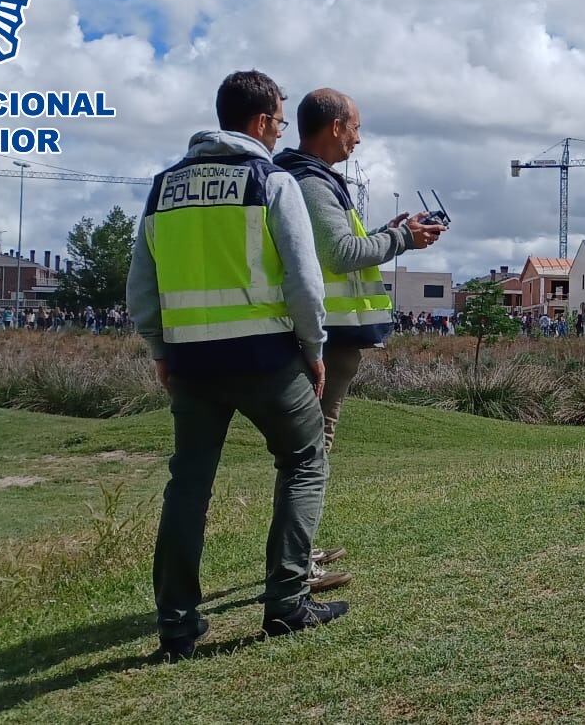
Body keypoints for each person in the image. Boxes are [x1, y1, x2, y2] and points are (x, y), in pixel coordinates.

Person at [128, 70, 345, 661]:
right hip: (267, 358)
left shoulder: (162, 187)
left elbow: (141, 289)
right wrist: (314, 349)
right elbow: (304, 281)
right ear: (259, 122)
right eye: (277, 121)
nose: (279, 131)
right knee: (304, 462)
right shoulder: (271, 182)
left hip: (192, 363)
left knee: (188, 486)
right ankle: (287, 603)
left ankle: (177, 625)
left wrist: (159, 350)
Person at [274, 88, 443, 589]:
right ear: (334, 127)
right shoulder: (312, 183)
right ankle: (296, 565)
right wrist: (403, 239)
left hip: (328, 337)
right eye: (356, 128)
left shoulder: (308, 179)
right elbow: (340, 254)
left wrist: (386, 232)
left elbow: (338, 245)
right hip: (324, 338)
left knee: (311, 452)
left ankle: (300, 550)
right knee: (310, 453)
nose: (359, 138)